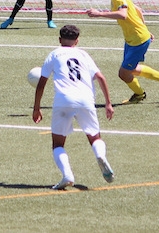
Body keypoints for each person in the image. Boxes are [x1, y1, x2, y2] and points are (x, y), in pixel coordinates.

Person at [32, 24, 114, 190]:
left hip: (63, 101)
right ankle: (100, 155)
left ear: (59, 39)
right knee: (95, 137)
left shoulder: (54, 54)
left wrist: (36, 108)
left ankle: (67, 175)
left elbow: (41, 83)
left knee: (58, 144)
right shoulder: (83, 54)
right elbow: (101, 77)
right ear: (77, 41)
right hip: (86, 100)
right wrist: (108, 103)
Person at [86, 0, 159, 104]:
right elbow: (138, 10)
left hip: (137, 40)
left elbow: (123, 15)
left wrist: (99, 14)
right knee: (130, 69)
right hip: (133, 38)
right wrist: (145, 29)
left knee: (123, 73)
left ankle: (139, 94)